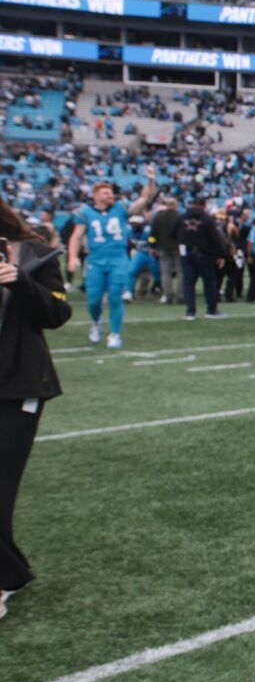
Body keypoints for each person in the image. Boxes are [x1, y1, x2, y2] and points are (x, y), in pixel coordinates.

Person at [0, 197, 72, 621]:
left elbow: (57, 312)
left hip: (18, 386)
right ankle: (12, 570)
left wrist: (18, 281)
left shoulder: (36, 254)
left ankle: (5, 578)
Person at [66, 165, 157, 350]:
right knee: (93, 300)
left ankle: (115, 333)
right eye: (106, 193)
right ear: (96, 195)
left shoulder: (120, 208)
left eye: (111, 192)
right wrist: (72, 258)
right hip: (95, 262)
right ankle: (96, 322)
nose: (110, 195)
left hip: (117, 261)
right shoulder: (85, 212)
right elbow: (76, 236)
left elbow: (144, 198)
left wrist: (150, 181)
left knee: (115, 297)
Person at [178, 196, 232, 320]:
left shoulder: (182, 218)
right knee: (209, 283)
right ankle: (211, 310)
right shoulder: (207, 219)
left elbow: (173, 234)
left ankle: (190, 312)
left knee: (188, 283)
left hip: (187, 253)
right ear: (203, 205)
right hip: (205, 254)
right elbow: (215, 239)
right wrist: (221, 254)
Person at [147, 193, 182, 305]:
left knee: (165, 273)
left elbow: (152, 235)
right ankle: (181, 295)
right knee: (181, 272)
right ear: (175, 205)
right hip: (178, 248)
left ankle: (168, 296)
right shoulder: (180, 216)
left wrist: (152, 247)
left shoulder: (158, 217)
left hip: (163, 248)